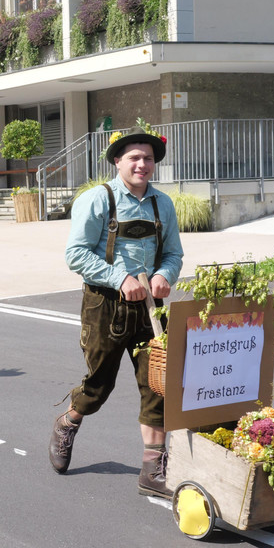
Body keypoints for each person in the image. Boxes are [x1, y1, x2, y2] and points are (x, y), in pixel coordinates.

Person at [48, 121, 184, 498]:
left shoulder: (162, 203)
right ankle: (68, 421)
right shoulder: (97, 199)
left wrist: (164, 274)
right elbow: (76, 254)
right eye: (135, 158)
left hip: (151, 310)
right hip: (105, 306)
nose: (143, 165)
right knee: (99, 385)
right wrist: (120, 278)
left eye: (149, 158)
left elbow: (173, 253)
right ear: (117, 162)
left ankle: (152, 469)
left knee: (158, 385)